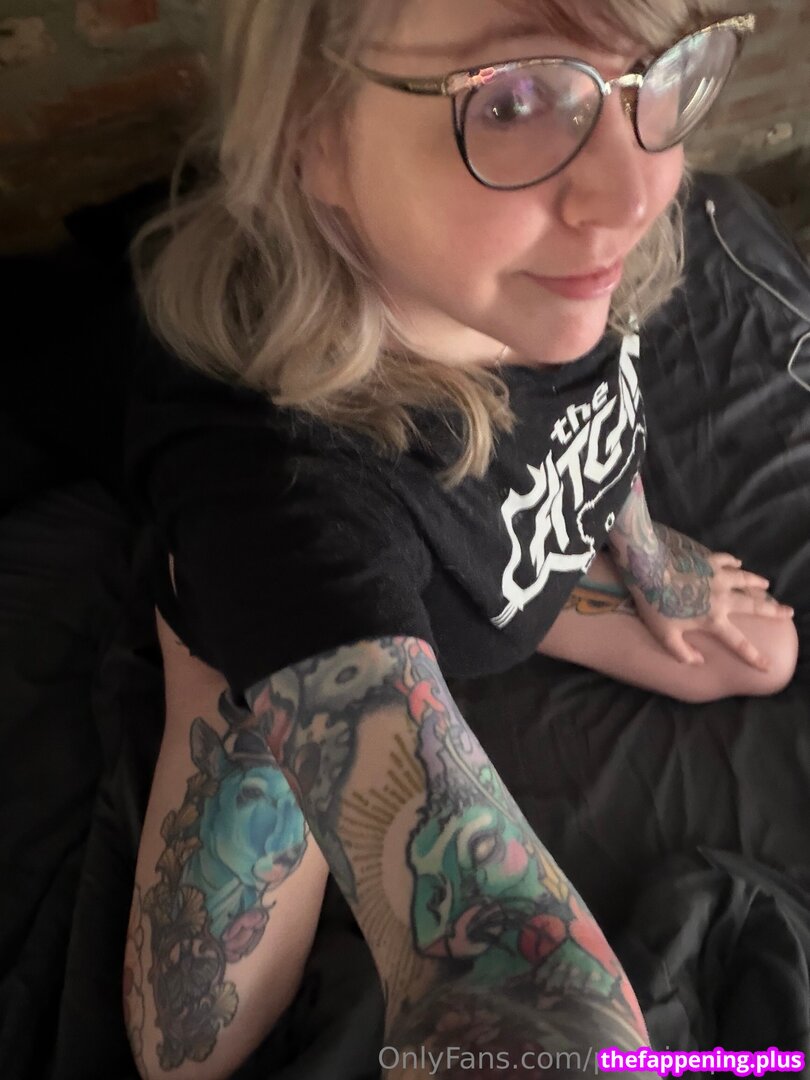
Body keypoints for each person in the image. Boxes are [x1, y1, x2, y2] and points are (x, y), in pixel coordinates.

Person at [122, 1, 799, 1077]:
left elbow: (603, 424)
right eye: (515, 101)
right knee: (190, 1043)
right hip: (289, 611)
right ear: (313, 134)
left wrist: (641, 553)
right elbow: (505, 977)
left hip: (489, 543)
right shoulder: (274, 480)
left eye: (653, 73)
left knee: (763, 655)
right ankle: (221, 659)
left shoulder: (570, 263)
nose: (635, 193)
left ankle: (481, 589)